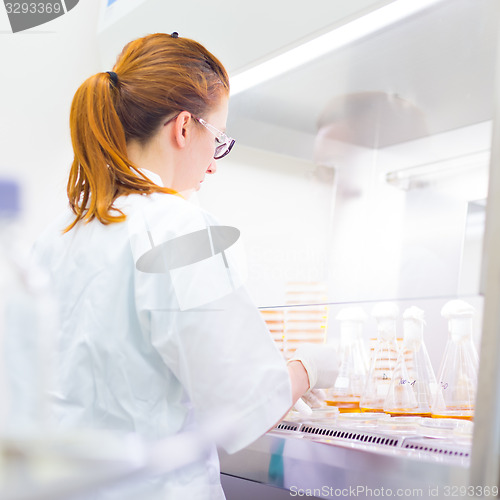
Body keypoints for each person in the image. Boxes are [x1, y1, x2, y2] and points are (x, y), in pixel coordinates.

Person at [33, 32, 338, 499]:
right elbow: (245, 405)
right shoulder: (181, 230)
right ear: (183, 127)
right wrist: (312, 366)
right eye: (218, 138)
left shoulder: (59, 235)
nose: (214, 165)